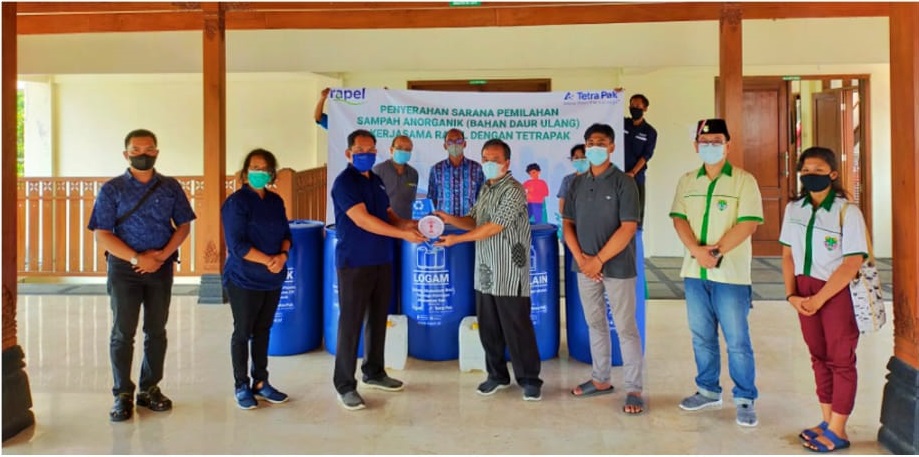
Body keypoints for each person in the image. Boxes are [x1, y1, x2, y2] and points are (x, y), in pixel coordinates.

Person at [87, 128, 196, 422]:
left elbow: (184, 225)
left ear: (156, 152)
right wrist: (137, 258)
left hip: (160, 267)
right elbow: (102, 233)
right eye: (136, 150)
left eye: (148, 150)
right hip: (125, 268)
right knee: (123, 332)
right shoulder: (112, 189)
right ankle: (122, 393)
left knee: (156, 330)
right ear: (126, 154)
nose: (142, 155)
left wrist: (161, 256)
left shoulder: (170, 187)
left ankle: (149, 388)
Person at [669, 118, 763, 427]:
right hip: (695, 272)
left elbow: (748, 223)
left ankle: (745, 398)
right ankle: (708, 390)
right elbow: (679, 219)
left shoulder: (743, 181)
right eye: (704, 142)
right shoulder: (687, 181)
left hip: (731, 275)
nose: (710, 146)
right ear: (696, 146)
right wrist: (697, 251)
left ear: (728, 145)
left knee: (737, 340)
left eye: (716, 141)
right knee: (701, 336)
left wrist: (716, 252)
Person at [435, 138, 543, 401]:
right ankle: (496, 375)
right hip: (485, 272)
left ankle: (530, 379)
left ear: (507, 162)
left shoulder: (514, 190)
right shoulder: (486, 188)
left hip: (509, 272)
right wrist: (449, 218)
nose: (489, 163)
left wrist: (457, 240)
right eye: (485, 159)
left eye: (495, 159)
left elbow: (495, 226)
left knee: (517, 328)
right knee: (489, 328)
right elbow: (474, 221)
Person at [330, 129, 426, 411]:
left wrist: (412, 225)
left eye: (370, 150)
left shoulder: (376, 181)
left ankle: (374, 372)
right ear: (348, 153)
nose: (366, 155)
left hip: (381, 259)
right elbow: (363, 220)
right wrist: (402, 234)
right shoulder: (345, 183)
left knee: (377, 318)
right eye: (360, 151)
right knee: (351, 324)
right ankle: (345, 385)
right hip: (355, 262)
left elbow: (388, 215)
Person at [780, 147, 866, 452]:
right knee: (818, 356)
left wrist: (819, 299)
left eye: (818, 170)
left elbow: (851, 264)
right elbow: (787, 255)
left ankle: (839, 430)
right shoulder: (794, 209)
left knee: (841, 359)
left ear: (833, 174)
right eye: (805, 170)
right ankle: (827, 421)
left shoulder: (847, 212)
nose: (810, 175)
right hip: (803, 291)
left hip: (835, 292)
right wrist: (791, 294)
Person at [562, 123, 645, 415]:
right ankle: (600, 379)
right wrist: (583, 259)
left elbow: (628, 227)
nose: (594, 147)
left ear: (611, 147)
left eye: (600, 142)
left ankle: (634, 389)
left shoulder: (624, 182)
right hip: (584, 267)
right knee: (595, 323)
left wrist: (597, 260)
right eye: (590, 142)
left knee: (625, 327)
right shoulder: (576, 184)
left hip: (617, 267)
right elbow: (567, 224)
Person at [221, 149, 292, 410]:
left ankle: (261, 382)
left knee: (263, 330)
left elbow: (286, 234)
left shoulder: (275, 201)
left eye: (264, 168)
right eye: (254, 167)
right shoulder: (236, 203)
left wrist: (282, 256)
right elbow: (237, 245)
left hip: (272, 278)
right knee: (243, 331)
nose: (259, 172)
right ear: (245, 172)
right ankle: (241, 385)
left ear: (271, 173)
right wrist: (268, 260)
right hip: (244, 278)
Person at [427, 128, 485, 217]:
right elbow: (431, 198)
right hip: (444, 222)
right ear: (445, 146)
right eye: (450, 142)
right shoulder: (436, 169)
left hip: (469, 222)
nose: (454, 144)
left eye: (458, 141)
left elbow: (482, 198)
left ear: (464, 144)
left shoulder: (476, 168)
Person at [623, 94, 658, 228]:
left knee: (636, 210)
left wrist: (633, 172)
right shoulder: (622, 123)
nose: (634, 108)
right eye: (632, 105)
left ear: (645, 108)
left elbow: (646, 155)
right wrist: (615, 95)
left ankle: (636, 233)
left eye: (638, 106)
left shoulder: (650, 131)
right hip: (618, 172)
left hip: (636, 176)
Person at [372, 135, 419, 220]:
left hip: (405, 222)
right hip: (381, 222)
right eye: (399, 148)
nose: (403, 151)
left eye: (407, 149)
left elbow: (411, 200)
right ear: (391, 149)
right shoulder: (378, 170)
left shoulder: (413, 174)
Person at [557, 144, 588, 216]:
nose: (580, 160)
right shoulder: (567, 180)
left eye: (583, 157)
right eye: (576, 158)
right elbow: (562, 208)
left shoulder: (599, 179)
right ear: (571, 159)